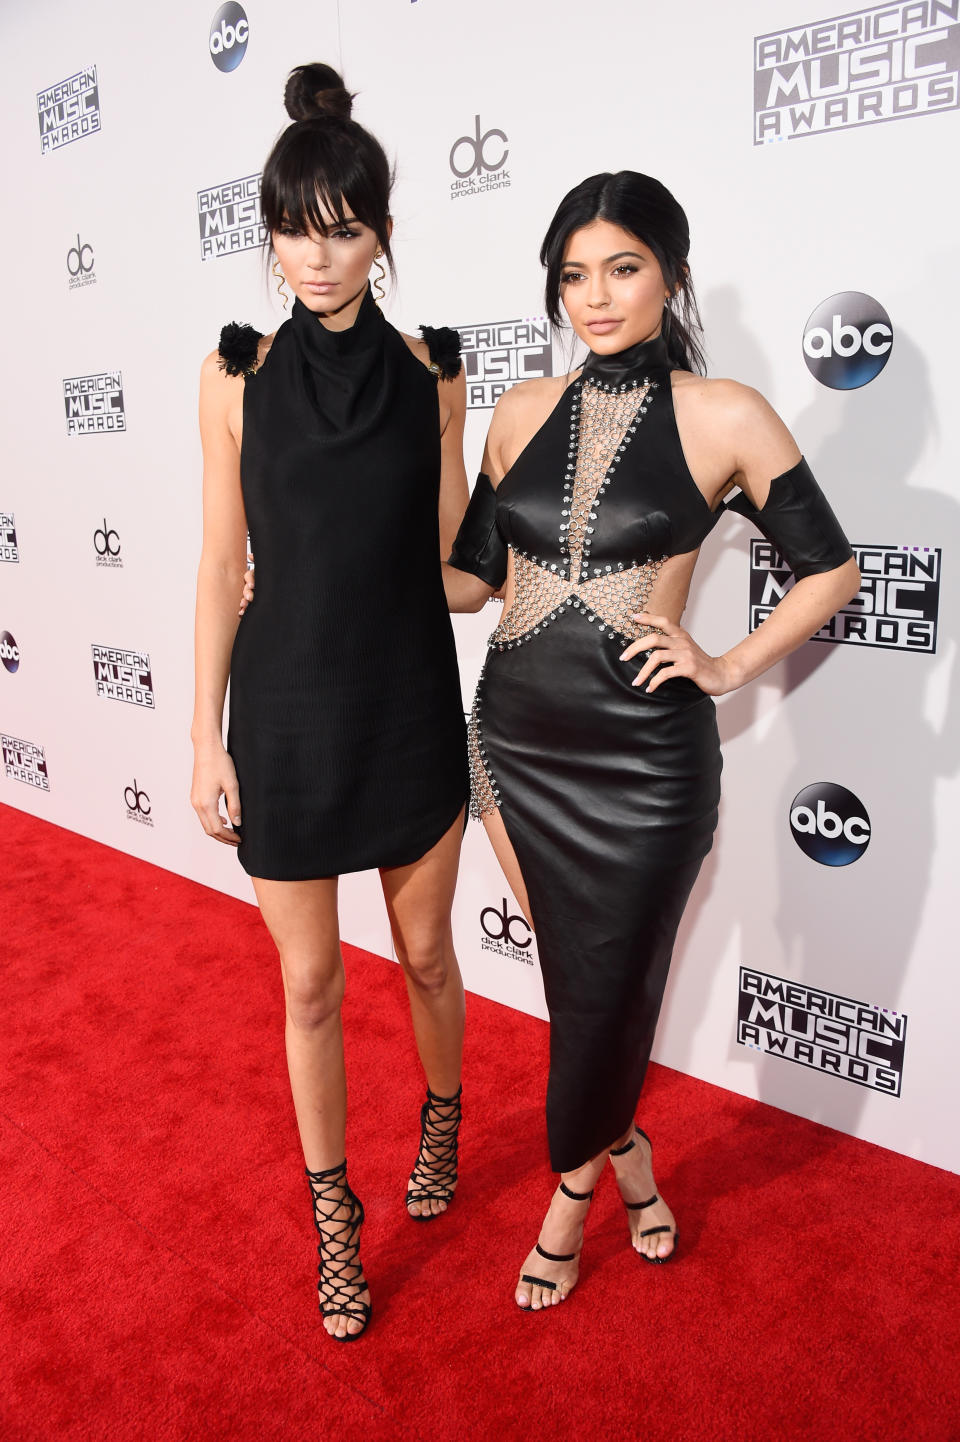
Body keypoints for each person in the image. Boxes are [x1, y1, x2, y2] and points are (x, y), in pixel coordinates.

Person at [443, 171, 860, 1311]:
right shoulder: (520, 412)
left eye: (621, 268)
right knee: (586, 992)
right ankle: (627, 1153)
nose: (595, 295)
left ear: (670, 271)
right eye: (573, 275)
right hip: (514, 750)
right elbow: (470, 584)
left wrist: (724, 664)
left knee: (610, 979)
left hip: (649, 764)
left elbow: (832, 568)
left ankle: (569, 1198)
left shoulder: (726, 412)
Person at [190, 63, 470, 1342]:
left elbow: (456, 564)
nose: (317, 253)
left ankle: (445, 1114)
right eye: (295, 227)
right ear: (269, 232)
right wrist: (205, 735)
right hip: (289, 712)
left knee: (421, 954)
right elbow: (218, 562)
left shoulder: (435, 373)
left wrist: (559, 551)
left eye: (344, 226)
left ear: (384, 232)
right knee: (309, 987)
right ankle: (334, 1216)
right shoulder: (232, 374)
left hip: (410, 697)